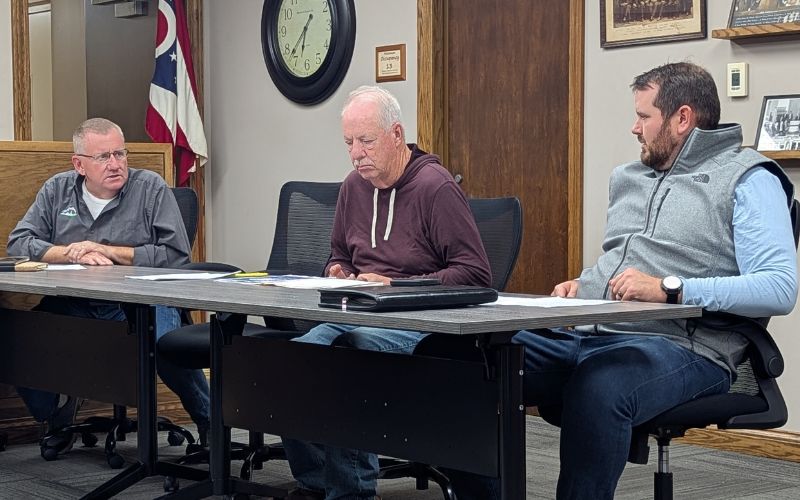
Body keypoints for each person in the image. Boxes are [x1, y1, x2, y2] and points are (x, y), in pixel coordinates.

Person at [513, 62, 797, 500]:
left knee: (601, 384)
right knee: (476, 359)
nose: (634, 127)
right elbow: (624, 259)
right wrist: (584, 285)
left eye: (643, 116)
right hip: (594, 334)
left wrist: (670, 288)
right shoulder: (628, 177)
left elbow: (778, 287)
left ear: (682, 119)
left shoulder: (749, 178)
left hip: (686, 348)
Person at [282, 86, 492, 500]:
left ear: (397, 135)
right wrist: (339, 271)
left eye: (366, 141)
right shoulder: (353, 186)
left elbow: (475, 274)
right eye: (348, 143)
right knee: (291, 362)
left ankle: (351, 491)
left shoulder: (435, 187)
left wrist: (396, 286)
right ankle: (318, 480)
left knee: (348, 356)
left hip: (416, 322)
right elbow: (338, 256)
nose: (356, 154)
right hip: (359, 311)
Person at [7, 117, 210, 454]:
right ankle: (56, 416)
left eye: (120, 153)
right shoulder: (58, 190)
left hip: (142, 302)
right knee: (19, 335)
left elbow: (175, 255)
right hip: (77, 303)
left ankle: (209, 422)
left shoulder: (149, 187)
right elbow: (19, 242)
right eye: (103, 157)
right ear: (79, 164)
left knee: (168, 342)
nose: (115, 164)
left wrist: (109, 251)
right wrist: (69, 252)